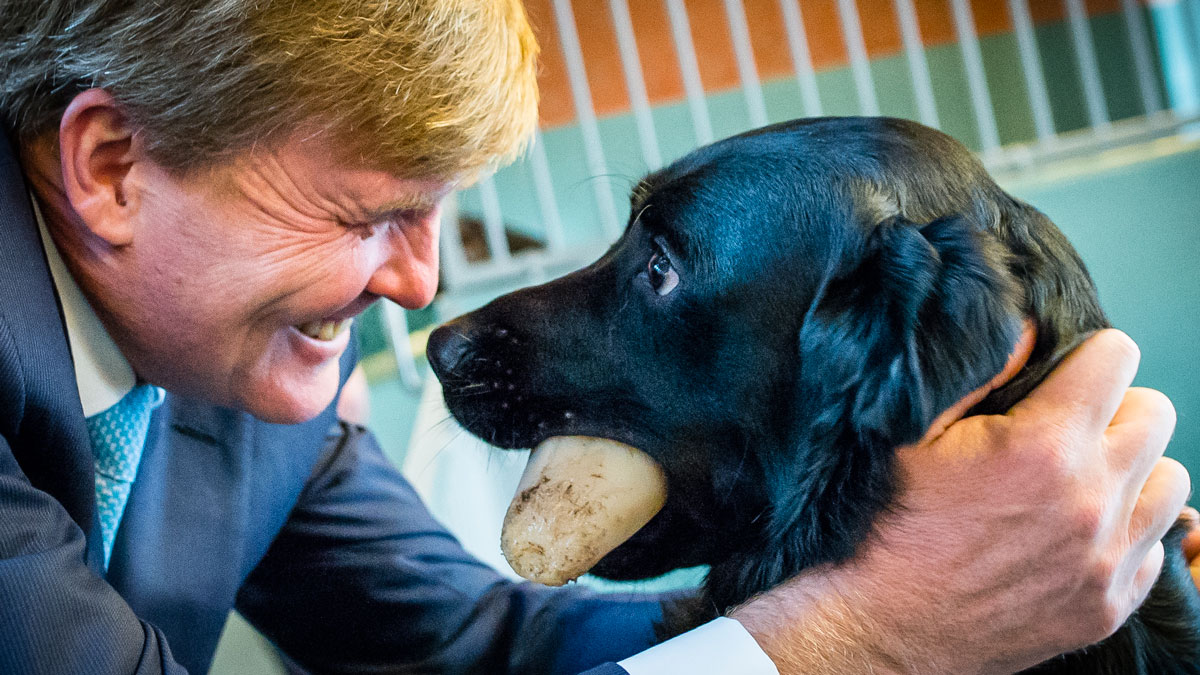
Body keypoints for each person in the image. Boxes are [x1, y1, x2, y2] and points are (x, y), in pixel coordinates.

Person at [0, 1, 1194, 673]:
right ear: (112, 166)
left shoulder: (241, 372)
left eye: (434, 213)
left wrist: (993, 579)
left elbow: (470, 644)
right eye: (368, 217)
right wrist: (871, 634)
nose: (420, 289)